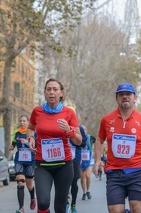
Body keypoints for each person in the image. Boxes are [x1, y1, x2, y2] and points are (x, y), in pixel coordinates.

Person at [93, 82, 141, 213]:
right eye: (121, 94)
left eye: (128, 94)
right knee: (115, 210)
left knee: (136, 208)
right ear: (116, 98)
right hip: (114, 173)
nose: (125, 97)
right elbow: (99, 140)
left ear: (135, 98)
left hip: (136, 172)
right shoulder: (107, 120)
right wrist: (97, 160)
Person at [27, 78, 82, 213]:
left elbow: (79, 140)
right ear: (45, 93)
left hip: (64, 165)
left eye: (55, 90)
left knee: (60, 207)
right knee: (43, 203)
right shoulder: (37, 111)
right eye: (49, 89)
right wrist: (30, 138)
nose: (52, 92)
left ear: (61, 93)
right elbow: (30, 128)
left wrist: (69, 131)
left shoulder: (69, 113)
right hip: (42, 165)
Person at [9, 115, 36, 213]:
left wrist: (27, 143)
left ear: (28, 122)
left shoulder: (33, 133)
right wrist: (12, 147)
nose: (22, 122)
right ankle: (21, 208)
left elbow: (36, 147)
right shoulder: (16, 132)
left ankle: (33, 197)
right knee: (20, 183)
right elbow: (14, 143)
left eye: (24, 121)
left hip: (30, 161)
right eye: (20, 121)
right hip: (19, 160)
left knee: (29, 185)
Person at [67, 124, 87, 213]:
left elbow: (83, 143)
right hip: (62, 158)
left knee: (74, 181)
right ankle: (66, 203)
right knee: (63, 181)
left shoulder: (79, 128)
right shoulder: (60, 126)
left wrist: (74, 139)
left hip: (75, 158)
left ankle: (73, 204)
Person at [80, 126, 96, 200]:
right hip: (81, 160)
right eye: (82, 130)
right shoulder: (78, 138)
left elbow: (98, 142)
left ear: (87, 130)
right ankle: (84, 192)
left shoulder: (91, 137)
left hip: (89, 159)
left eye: (84, 129)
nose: (83, 131)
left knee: (88, 176)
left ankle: (88, 191)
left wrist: (95, 152)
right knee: (82, 178)